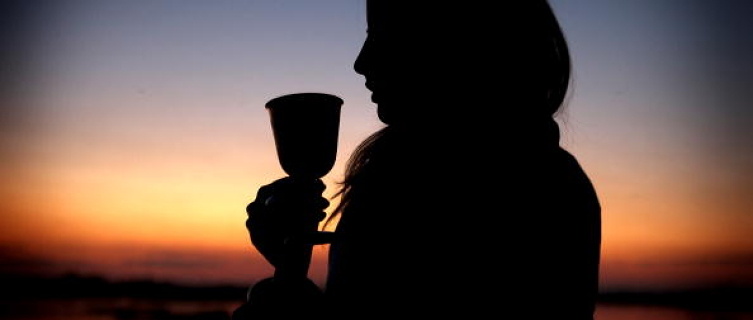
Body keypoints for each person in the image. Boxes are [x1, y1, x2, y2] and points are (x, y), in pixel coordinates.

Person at [234, 1, 601, 319]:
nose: (361, 63)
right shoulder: (398, 175)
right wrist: (290, 267)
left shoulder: (543, 190)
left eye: (382, 34)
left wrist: (278, 304)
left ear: (460, 39)